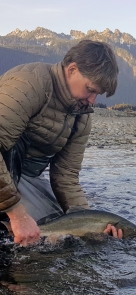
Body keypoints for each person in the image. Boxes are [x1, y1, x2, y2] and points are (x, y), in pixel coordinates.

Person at [0, 40, 121, 246]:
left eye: (97, 94)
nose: (92, 101)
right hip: (6, 168)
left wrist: (92, 225)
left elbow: (66, 177)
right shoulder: (29, 84)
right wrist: (18, 214)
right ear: (72, 69)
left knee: (55, 232)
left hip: (23, 178)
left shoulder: (81, 115)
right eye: (90, 89)